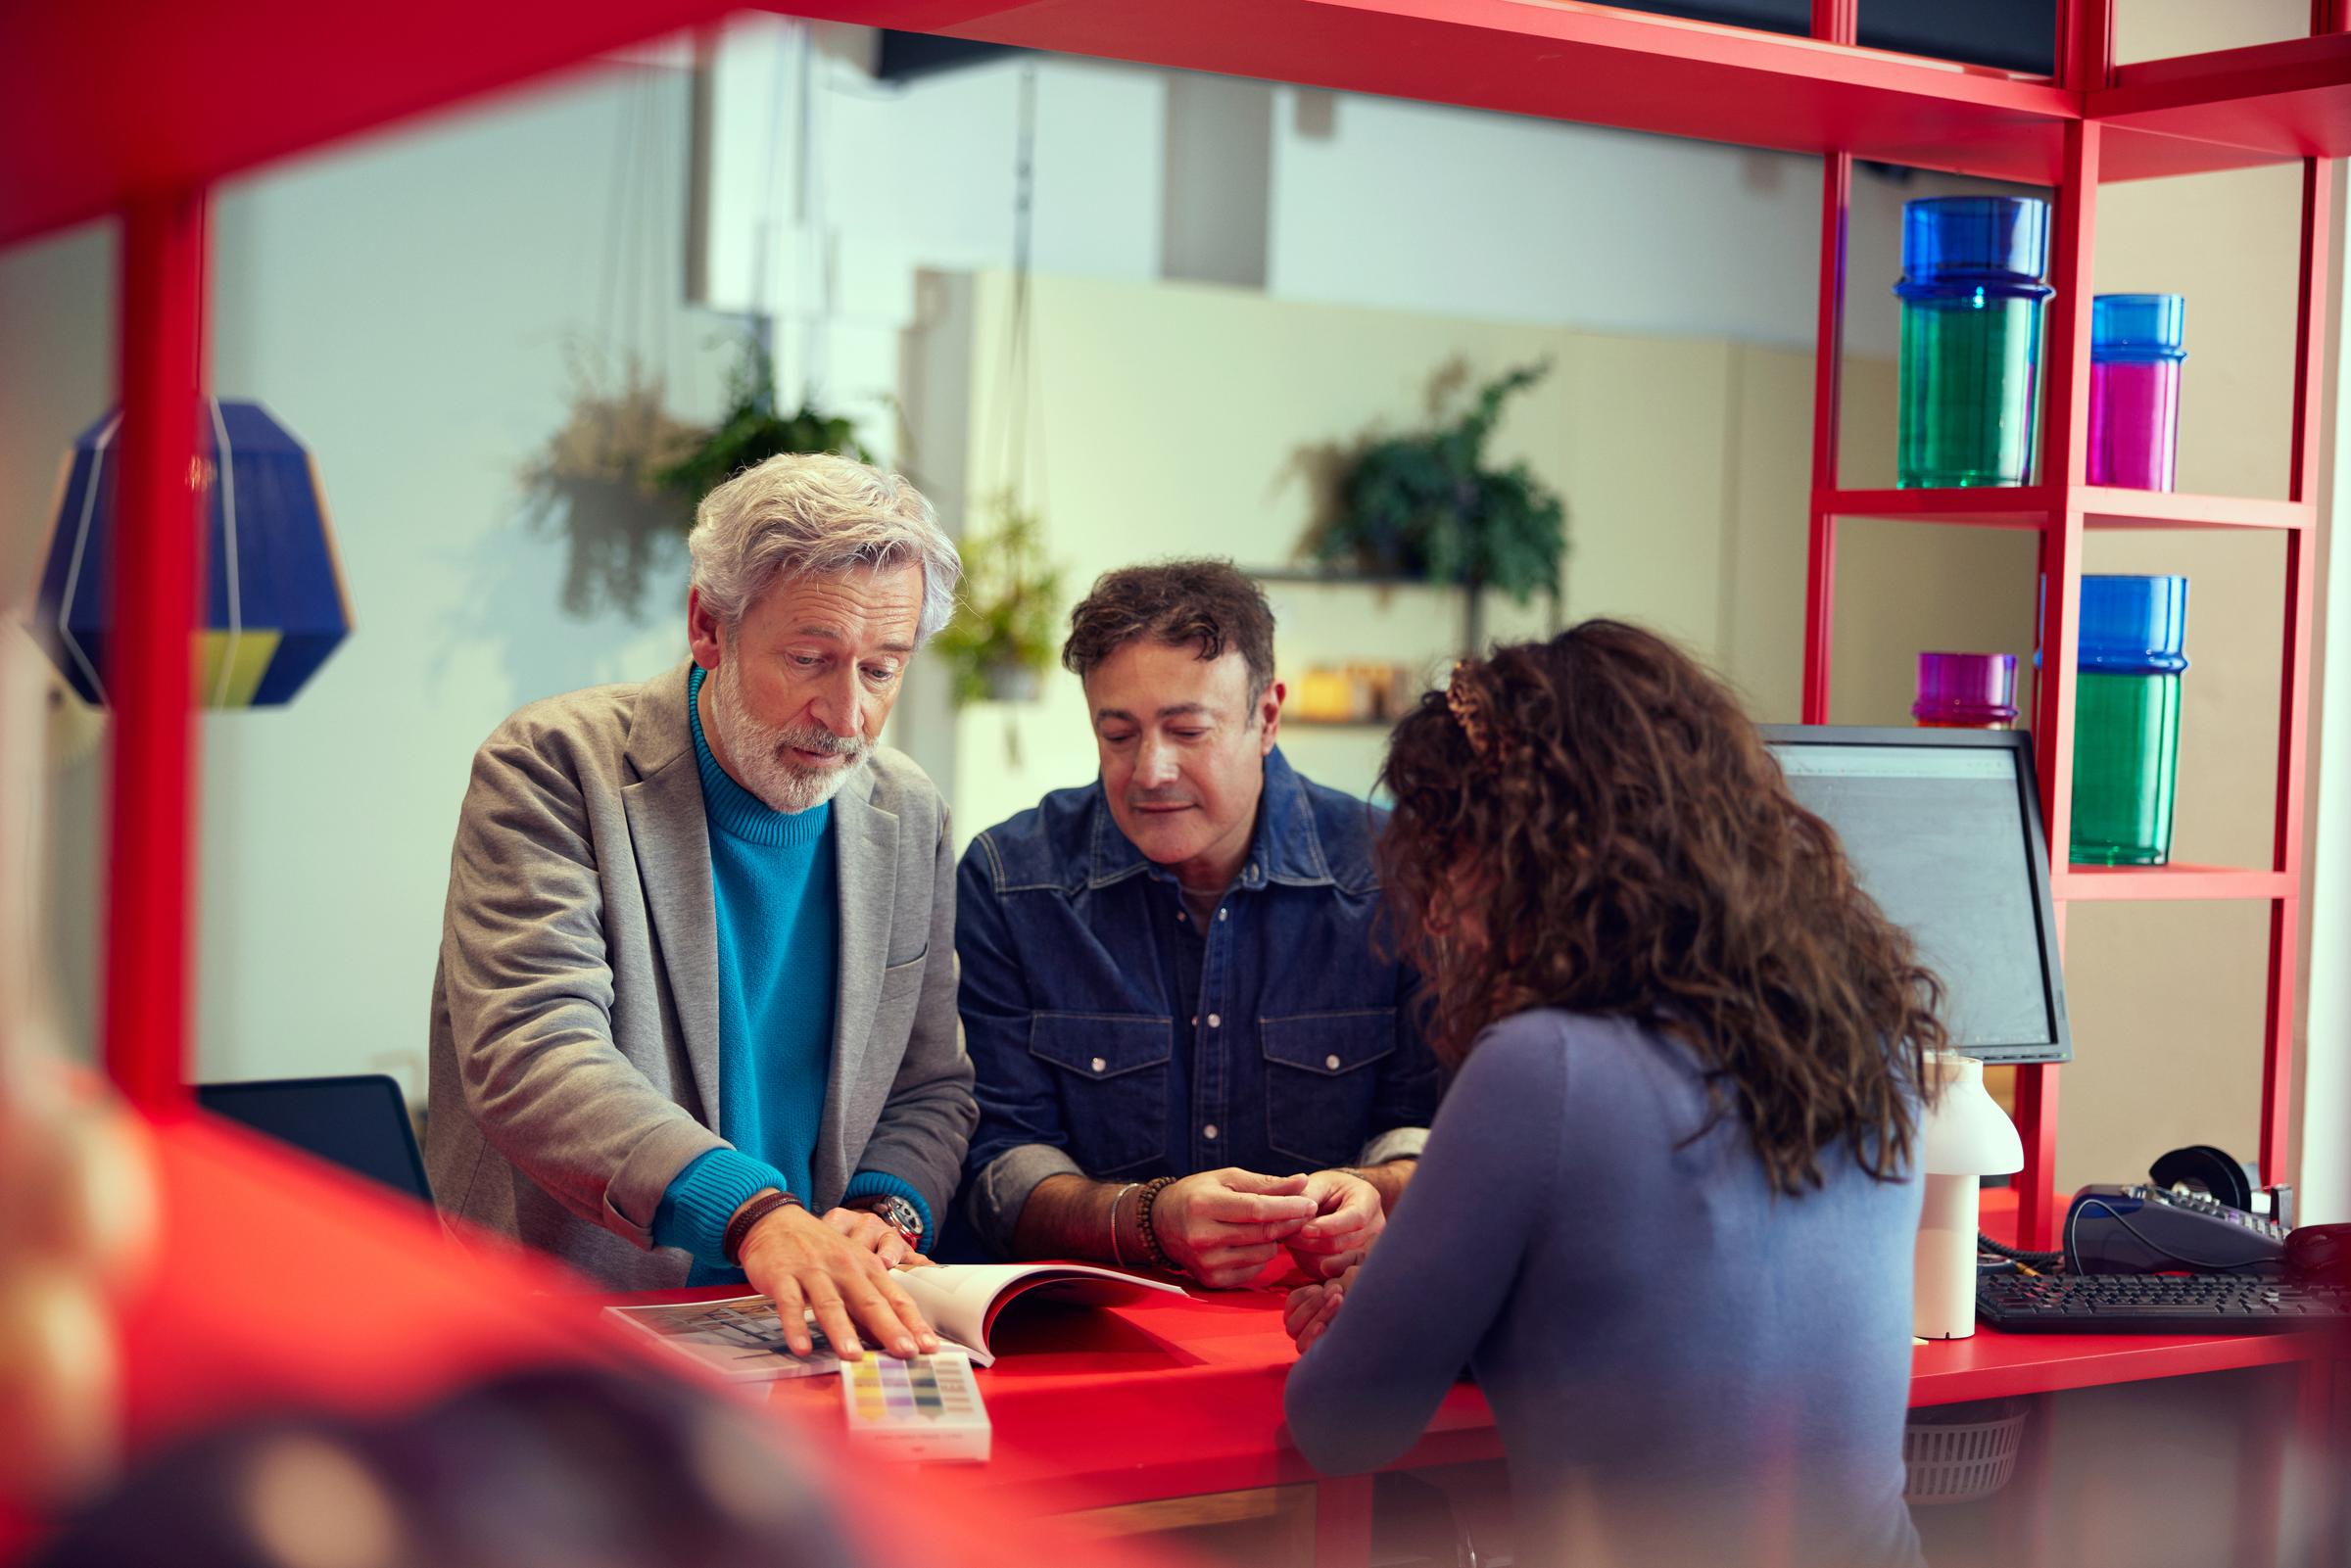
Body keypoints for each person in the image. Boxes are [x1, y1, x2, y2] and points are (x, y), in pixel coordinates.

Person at [1282, 621, 1940, 1568]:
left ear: (1542, 849)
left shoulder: (1541, 1066)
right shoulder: (1869, 1034)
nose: (1440, 909)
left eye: (1451, 855)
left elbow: (1341, 1426)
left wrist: (1399, 1301)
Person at [427, 452, 977, 1363]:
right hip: (569, 1332)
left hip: (807, 1330)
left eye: (882, 670)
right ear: (708, 627)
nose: (847, 714)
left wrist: (885, 1207)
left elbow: (929, 1084)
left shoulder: (907, 811)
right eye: (809, 659)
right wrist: (754, 1214)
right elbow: (532, 1050)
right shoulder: (552, 766)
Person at [954, 560, 1443, 1287]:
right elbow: (999, 1166)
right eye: (1118, 735)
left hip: (1323, 1313)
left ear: (1267, 718)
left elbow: (1433, 1129)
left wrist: (1373, 1193)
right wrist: (1147, 1220)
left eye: (1187, 730)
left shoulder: (1397, 870)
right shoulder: (1011, 880)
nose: (1151, 770)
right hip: (1096, 1322)